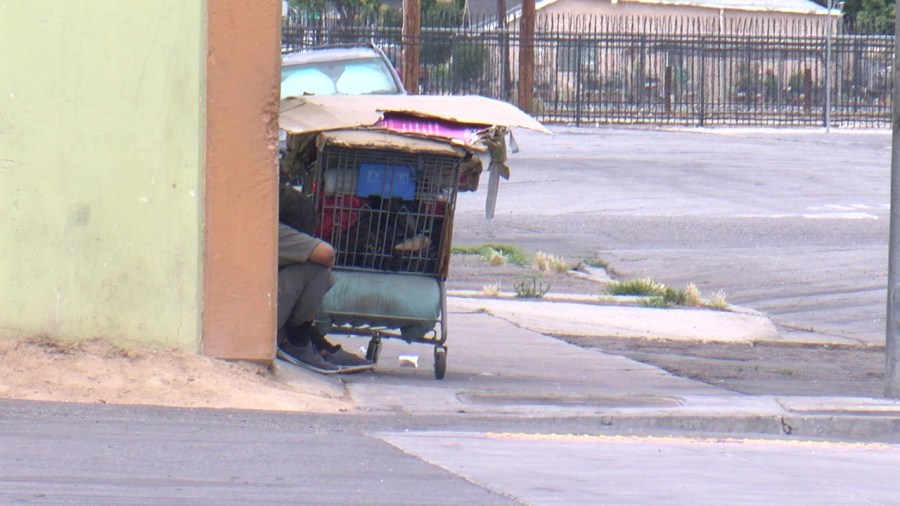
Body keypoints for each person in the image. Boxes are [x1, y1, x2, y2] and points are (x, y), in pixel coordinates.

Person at [276, 185, 373, 374]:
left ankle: (311, 341)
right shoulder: (278, 231)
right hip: (260, 313)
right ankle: (298, 342)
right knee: (317, 270)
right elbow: (326, 254)